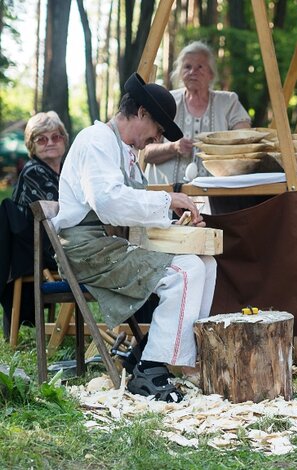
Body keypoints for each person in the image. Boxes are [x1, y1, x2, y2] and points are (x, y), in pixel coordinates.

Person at [53, 73, 217, 402]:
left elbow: (135, 211)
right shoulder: (96, 139)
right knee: (187, 272)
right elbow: (109, 202)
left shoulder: (123, 150)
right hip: (84, 250)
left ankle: (157, 358)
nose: (156, 139)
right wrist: (166, 199)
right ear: (141, 113)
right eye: (157, 129)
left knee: (206, 263)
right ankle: (151, 369)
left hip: (108, 244)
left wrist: (179, 227)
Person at [143, 41, 251, 184]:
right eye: (187, 67)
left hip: (216, 200)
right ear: (180, 73)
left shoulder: (228, 102)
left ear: (211, 74)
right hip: (165, 198)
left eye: (200, 67)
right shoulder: (166, 101)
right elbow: (145, 152)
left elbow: (246, 141)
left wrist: (219, 147)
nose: (193, 72)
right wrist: (173, 147)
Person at [1, 112, 68, 340]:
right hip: (38, 253)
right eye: (41, 139)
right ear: (32, 145)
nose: (50, 143)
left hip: (54, 245)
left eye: (55, 137)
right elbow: (65, 209)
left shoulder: (65, 171)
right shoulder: (33, 172)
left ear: (64, 140)